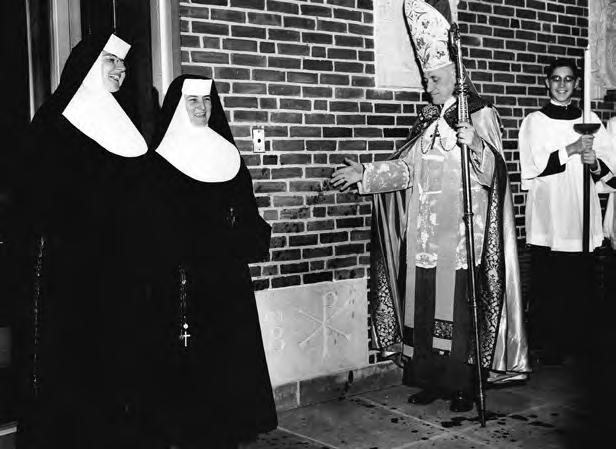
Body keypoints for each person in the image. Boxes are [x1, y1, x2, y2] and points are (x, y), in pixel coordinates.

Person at [331, 0, 529, 413]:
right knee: (423, 310)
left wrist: (476, 144)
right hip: (423, 234)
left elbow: (497, 173)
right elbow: (406, 171)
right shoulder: (426, 123)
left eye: (435, 79)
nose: (429, 87)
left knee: (457, 314)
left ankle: (462, 385)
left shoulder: (480, 115)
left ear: (456, 76)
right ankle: (431, 380)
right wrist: (365, 173)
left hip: (462, 237)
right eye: (426, 80)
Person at [14, 33, 148, 449]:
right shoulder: (56, 119)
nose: (120, 69)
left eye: (122, 63)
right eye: (110, 60)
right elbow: (36, 197)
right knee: (74, 361)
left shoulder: (126, 119)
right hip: (71, 268)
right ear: (87, 65)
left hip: (120, 266)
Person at [129, 75, 277, 449]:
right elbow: (151, 223)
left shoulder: (227, 154)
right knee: (187, 359)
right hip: (181, 276)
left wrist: (247, 234)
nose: (201, 107)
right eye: (192, 100)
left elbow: (245, 208)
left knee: (226, 355)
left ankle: (225, 428)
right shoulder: (159, 161)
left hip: (225, 276)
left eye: (207, 100)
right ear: (178, 106)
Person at [519, 58, 616, 366]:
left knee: (581, 280)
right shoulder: (534, 121)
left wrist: (594, 162)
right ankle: (548, 346)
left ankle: (580, 342)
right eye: (556, 79)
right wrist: (572, 149)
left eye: (569, 79)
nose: (562, 85)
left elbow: (610, 170)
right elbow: (534, 166)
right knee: (549, 281)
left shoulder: (591, 120)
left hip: (580, 209)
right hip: (549, 210)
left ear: (576, 84)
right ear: (547, 82)